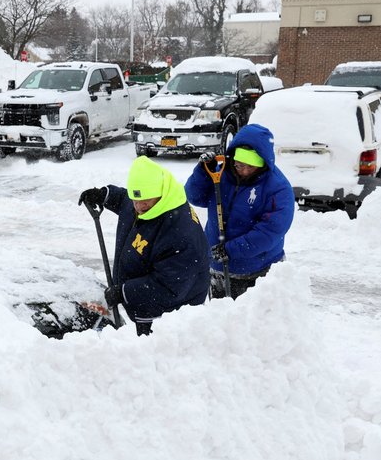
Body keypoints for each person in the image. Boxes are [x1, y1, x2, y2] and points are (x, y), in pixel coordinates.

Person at [79, 155, 211, 336]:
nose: (139, 207)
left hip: (170, 317)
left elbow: (168, 286)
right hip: (145, 305)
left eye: (145, 202)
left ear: (161, 194)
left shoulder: (180, 232)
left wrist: (123, 292)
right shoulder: (150, 201)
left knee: (155, 360)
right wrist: (105, 195)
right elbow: (126, 201)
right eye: (136, 200)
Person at [185, 123, 294, 299]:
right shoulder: (221, 172)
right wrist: (202, 172)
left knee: (254, 324)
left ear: (263, 164)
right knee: (218, 321)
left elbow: (269, 232)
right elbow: (194, 197)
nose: (243, 171)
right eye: (239, 165)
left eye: (249, 167)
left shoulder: (278, 188)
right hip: (217, 267)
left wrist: (231, 250)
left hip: (258, 271)